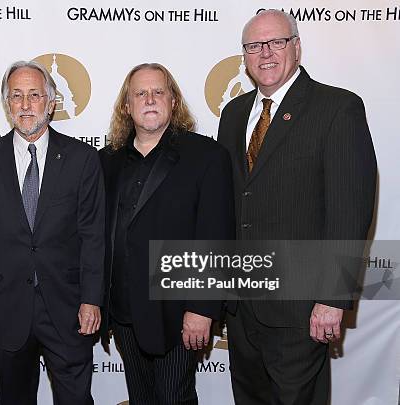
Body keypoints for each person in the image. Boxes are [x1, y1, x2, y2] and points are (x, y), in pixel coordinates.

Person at [217, 9, 377, 404]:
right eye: (254, 46)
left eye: (276, 42)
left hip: (301, 309)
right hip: (241, 309)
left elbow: (350, 211)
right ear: (245, 55)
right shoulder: (233, 114)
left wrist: (331, 297)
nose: (265, 53)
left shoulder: (337, 108)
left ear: (297, 47)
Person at [0, 60, 105, 405]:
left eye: (35, 95)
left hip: (68, 307)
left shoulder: (82, 159)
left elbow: (93, 235)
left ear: (51, 102)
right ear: (7, 103)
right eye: (16, 96)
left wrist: (92, 298)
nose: (25, 106)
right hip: (7, 308)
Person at [99, 63, 234, 405]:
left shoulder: (206, 156)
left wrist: (201, 309)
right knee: (141, 398)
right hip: (124, 311)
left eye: (158, 91)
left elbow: (215, 236)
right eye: (140, 93)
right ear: (126, 106)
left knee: (174, 397)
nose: (150, 99)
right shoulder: (107, 161)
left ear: (173, 101)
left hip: (176, 311)